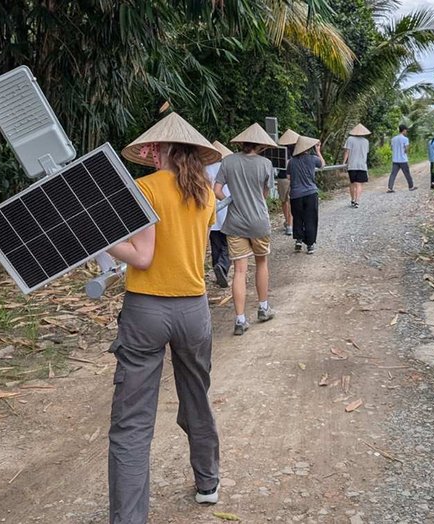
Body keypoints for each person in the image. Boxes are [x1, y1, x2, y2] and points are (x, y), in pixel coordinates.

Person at [106, 112, 223, 523]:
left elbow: (142, 256)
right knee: (196, 395)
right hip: (193, 309)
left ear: (161, 150)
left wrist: (102, 242)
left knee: (132, 422)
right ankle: (208, 483)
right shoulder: (205, 193)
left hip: (146, 311)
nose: (149, 155)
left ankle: (128, 518)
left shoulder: (144, 189)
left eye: (153, 149)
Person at [215, 123, 278, 336]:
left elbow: (216, 190)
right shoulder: (265, 163)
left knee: (239, 270)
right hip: (259, 221)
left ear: (241, 142)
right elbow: (265, 194)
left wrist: (232, 201)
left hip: (235, 223)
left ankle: (240, 320)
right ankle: (263, 307)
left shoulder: (228, 161)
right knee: (261, 263)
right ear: (260, 145)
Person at [287, 135, 324, 254]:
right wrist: (318, 151)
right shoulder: (313, 159)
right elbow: (322, 164)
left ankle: (298, 240)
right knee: (310, 218)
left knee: (297, 217)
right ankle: (310, 245)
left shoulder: (291, 162)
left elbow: (288, 177)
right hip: (310, 193)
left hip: (295, 194)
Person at [206, 141, 232, 288]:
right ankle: (222, 266)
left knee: (216, 243)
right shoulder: (226, 167)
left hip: (211, 209)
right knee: (228, 243)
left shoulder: (203, 168)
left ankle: (218, 268)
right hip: (226, 206)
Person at [276, 129, 301, 236]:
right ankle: (289, 224)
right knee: (290, 202)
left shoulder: (279, 151)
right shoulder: (298, 151)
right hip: (294, 178)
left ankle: (288, 223)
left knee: (284, 201)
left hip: (282, 178)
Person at [343, 123, 372, 208]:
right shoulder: (366, 141)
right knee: (359, 184)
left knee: (352, 183)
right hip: (362, 165)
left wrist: (344, 162)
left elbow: (347, 152)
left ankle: (352, 200)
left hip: (352, 165)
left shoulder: (350, 139)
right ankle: (357, 201)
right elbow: (366, 153)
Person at [388, 125, 414, 192]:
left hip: (395, 159)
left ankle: (390, 188)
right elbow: (406, 150)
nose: (406, 132)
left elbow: (392, 148)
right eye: (406, 131)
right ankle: (411, 187)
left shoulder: (393, 139)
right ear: (404, 130)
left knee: (393, 174)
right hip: (403, 160)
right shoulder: (405, 139)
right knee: (407, 174)